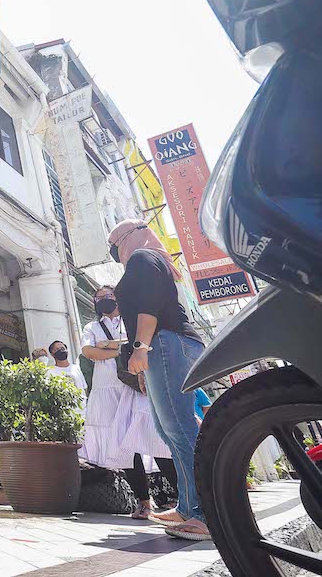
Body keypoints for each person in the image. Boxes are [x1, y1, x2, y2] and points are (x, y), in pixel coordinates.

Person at [110, 219, 210, 540]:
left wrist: (141, 347)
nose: (115, 251)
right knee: (170, 433)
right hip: (164, 347)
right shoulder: (149, 258)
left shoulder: (143, 256)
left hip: (166, 342)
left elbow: (149, 304)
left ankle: (206, 513)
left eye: (116, 243)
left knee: (179, 429)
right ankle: (188, 505)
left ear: (134, 235)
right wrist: (144, 365)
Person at [79, 285, 177, 520]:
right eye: (99, 298)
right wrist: (121, 349)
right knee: (125, 447)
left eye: (108, 296)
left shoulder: (130, 319)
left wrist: (107, 346)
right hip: (107, 388)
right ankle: (144, 503)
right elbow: (88, 352)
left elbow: (141, 342)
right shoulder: (92, 326)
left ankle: (185, 498)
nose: (104, 300)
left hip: (136, 384)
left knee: (156, 439)